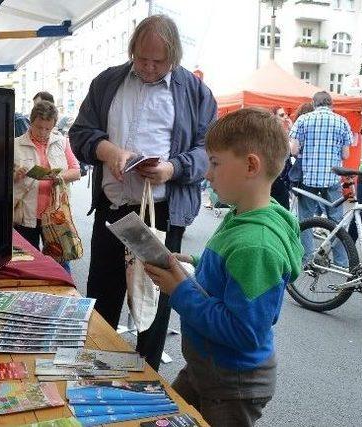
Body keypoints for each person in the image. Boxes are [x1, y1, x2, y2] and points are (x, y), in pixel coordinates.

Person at [68, 14, 217, 370]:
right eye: (141, 59)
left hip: (163, 212)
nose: (149, 68)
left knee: (157, 295)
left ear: (175, 57)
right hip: (114, 207)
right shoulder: (108, 82)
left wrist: (172, 168)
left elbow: (209, 152)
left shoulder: (196, 93)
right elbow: (80, 133)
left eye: (158, 61)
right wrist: (111, 152)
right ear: (132, 50)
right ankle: (95, 369)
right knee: (102, 292)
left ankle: (146, 373)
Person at [145, 108, 303, 426]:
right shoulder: (243, 214)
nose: (207, 173)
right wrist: (195, 263)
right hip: (208, 369)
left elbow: (243, 331)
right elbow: (231, 272)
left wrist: (179, 290)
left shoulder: (256, 244)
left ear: (250, 165)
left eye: (215, 163)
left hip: (232, 386)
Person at [13, 101, 81, 271]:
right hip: (26, 214)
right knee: (27, 264)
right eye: (38, 127)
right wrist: (16, 176)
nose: (43, 132)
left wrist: (56, 176)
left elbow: (76, 172)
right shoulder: (15, 145)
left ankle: (65, 296)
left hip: (55, 214)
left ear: (53, 126)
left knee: (61, 262)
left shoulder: (62, 142)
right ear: (31, 122)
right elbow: (3, 179)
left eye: (48, 129)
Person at [289, 91, 352, 265]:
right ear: (331, 104)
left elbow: (293, 150)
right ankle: (342, 261)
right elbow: (346, 155)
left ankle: (309, 259)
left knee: (306, 219)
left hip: (309, 179)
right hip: (332, 179)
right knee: (336, 220)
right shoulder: (342, 121)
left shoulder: (303, 120)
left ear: (313, 103)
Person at [270, 106, 293, 209]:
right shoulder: (274, 132)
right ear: (274, 117)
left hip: (281, 175)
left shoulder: (281, 132)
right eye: (281, 115)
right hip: (276, 176)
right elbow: (289, 151)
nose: (285, 117)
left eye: (285, 115)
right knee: (281, 208)